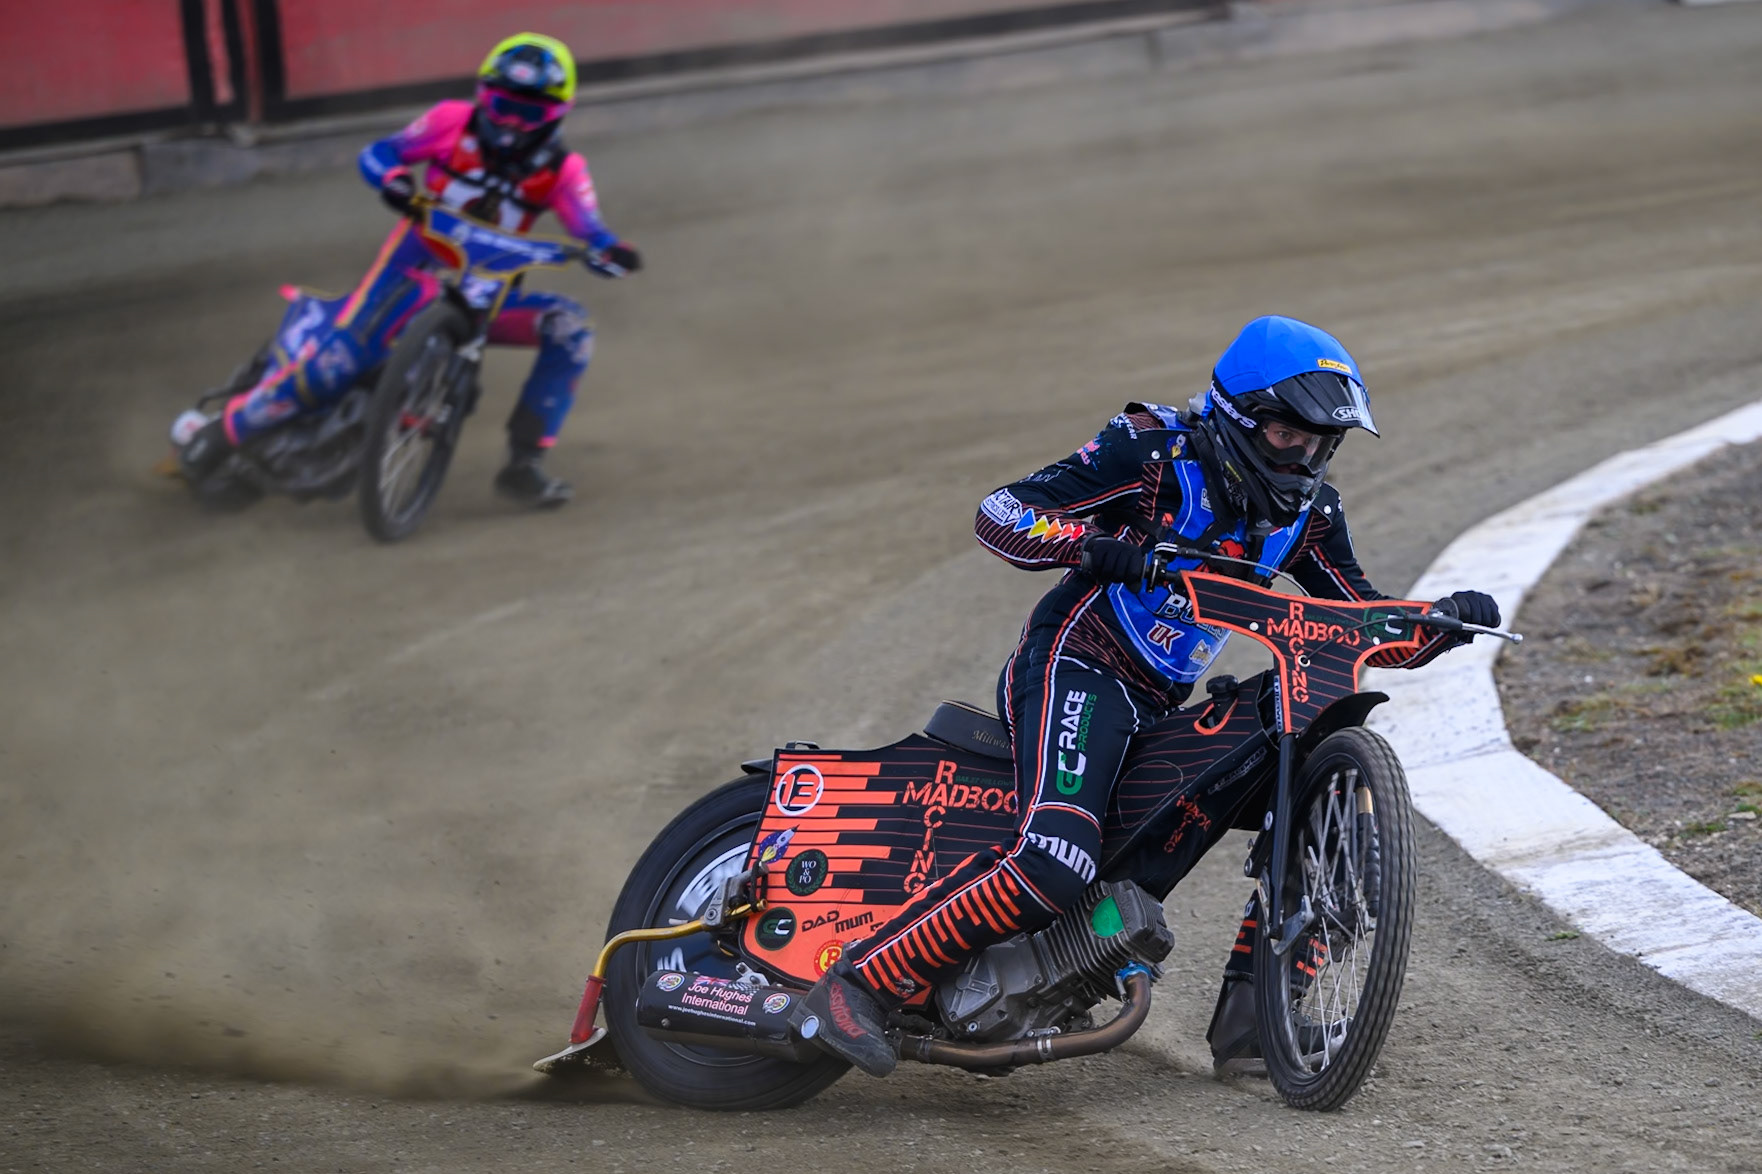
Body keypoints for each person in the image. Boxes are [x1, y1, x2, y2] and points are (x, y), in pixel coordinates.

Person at [792, 315, 1501, 1077]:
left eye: (1321, 442)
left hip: (1155, 704)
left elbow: (1355, 620)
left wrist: (1439, 624)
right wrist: (1092, 547)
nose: (1305, 457)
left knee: (1323, 811)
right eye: (1288, 434)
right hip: (1078, 667)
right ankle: (856, 986)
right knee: (1057, 858)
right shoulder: (1152, 451)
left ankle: (1253, 1020)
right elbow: (1001, 514)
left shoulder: (1311, 518)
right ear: (1237, 416)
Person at [178, 32, 641, 507]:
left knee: (572, 329)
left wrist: (610, 251)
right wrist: (396, 182)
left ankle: (525, 465)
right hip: (410, 264)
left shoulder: (565, 170)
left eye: (528, 113)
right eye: (501, 105)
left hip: (486, 292)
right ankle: (222, 435)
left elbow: (589, 227)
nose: (510, 125)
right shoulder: (449, 121)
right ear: (482, 94)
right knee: (336, 364)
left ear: (558, 114)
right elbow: (379, 153)